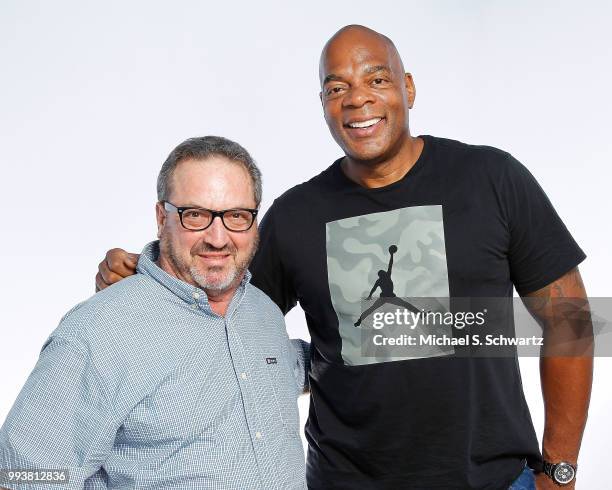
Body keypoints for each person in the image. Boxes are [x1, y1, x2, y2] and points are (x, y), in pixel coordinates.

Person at [95, 26, 592, 490]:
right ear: (324, 105)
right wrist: (139, 287)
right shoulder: (295, 217)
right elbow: (215, 323)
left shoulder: (490, 179)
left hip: (494, 480)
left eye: (377, 78)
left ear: (409, 88)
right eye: (337, 89)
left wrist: (560, 467)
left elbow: (571, 320)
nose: (358, 98)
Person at [0, 136, 309, 489]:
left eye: (237, 216)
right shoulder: (99, 331)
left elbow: (293, 367)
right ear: (162, 218)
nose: (219, 238)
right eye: (196, 215)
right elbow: (21, 475)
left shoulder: (263, 313)